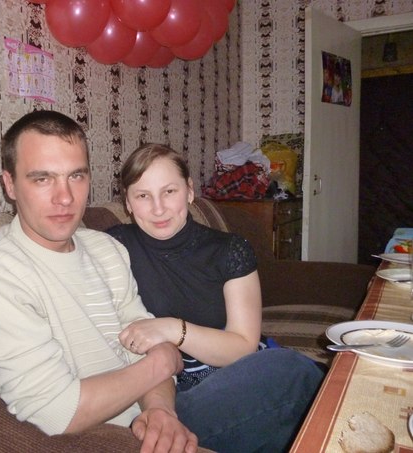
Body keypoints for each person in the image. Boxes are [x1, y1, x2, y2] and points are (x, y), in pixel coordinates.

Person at [0, 110, 198, 452]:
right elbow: (58, 412)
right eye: (42, 179)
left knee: (271, 372)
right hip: (108, 437)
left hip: (162, 413)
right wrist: (163, 362)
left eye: (76, 176)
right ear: (10, 185)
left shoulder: (107, 249)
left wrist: (160, 411)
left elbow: (146, 340)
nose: (65, 197)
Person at [106, 143, 325, 452]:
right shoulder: (112, 248)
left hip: (234, 374)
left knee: (293, 378)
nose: (158, 208)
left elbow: (242, 345)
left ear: (189, 191)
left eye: (169, 191)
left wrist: (172, 328)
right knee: (294, 376)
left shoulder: (229, 250)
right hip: (171, 395)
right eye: (143, 196)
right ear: (128, 202)